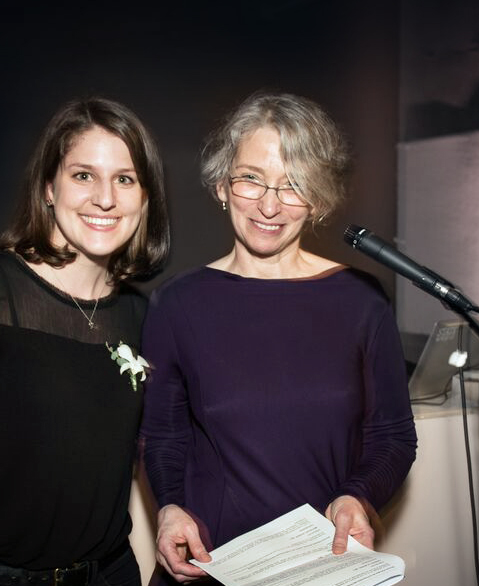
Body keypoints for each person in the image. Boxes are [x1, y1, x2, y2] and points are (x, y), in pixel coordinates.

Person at [139, 92, 417, 584]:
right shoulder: (176, 304)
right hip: (212, 566)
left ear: (319, 198)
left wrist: (358, 495)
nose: (270, 205)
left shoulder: (361, 300)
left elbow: (391, 437)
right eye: (251, 178)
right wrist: (169, 508)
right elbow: (163, 437)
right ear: (223, 184)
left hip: (323, 567)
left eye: (293, 185)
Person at [0, 97, 169, 586]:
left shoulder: (140, 314)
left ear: (144, 198)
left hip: (113, 573)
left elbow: (146, 453)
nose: (105, 198)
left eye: (124, 179)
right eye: (83, 175)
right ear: (48, 187)